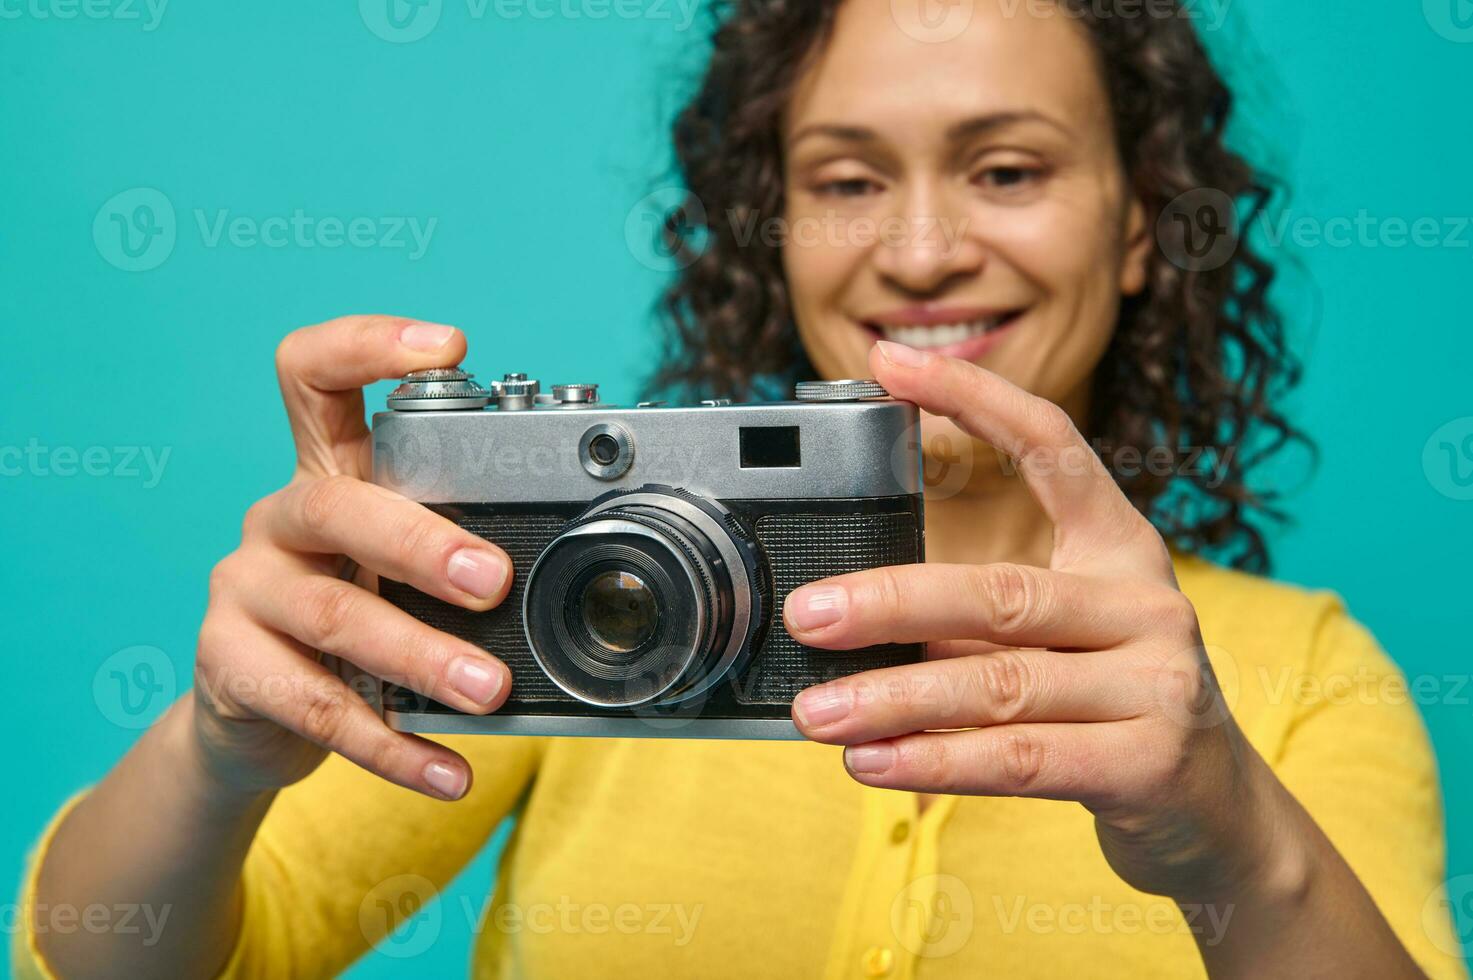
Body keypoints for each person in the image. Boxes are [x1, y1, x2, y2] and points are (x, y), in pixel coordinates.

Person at [16, 1, 1466, 977]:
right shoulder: (584, 599)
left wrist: (1227, 830)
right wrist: (219, 749)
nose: (915, 252)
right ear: (769, 228)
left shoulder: (1299, 678)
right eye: (842, 182)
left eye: (1006, 169)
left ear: (1144, 226)